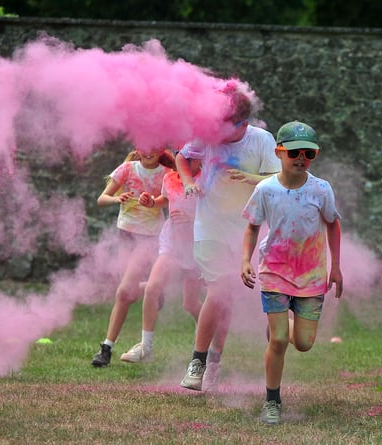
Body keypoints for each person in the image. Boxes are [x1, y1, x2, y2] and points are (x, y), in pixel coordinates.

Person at [177, 84, 281, 391]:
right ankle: (197, 362)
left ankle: (215, 359)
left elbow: (278, 180)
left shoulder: (261, 141)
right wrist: (187, 182)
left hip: (245, 231)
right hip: (208, 226)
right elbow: (182, 157)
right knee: (219, 289)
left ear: (242, 124)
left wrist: (252, 179)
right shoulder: (207, 134)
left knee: (225, 299)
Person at [240, 120, 343, 425]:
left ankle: (278, 326)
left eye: (309, 154)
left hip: (312, 276)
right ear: (279, 152)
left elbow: (333, 224)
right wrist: (245, 260)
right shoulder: (265, 189)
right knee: (280, 341)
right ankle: (272, 401)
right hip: (274, 271)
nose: (301, 158)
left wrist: (335, 266)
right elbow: (252, 226)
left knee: (304, 342)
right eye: (295, 152)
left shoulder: (321, 189)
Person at [91, 149, 175, 367]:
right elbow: (102, 198)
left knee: (123, 291)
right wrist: (117, 198)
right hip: (125, 236)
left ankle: (106, 349)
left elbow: (168, 200)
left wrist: (152, 202)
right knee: (126, 294)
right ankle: (153, 288)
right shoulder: (127, 169)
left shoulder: (166, 173)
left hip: (149, 238)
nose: (148, 152)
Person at [119, 158, 206, 363]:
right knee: (152, 288)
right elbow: (166, 200)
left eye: (190, 157)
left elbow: (217, 212)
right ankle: (146, 347)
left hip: (196, 246)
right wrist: (152, 202)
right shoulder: (169, 178)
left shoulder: (207, 178)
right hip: (172, 243)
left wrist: (193, 219)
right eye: (180, 156)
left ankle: (206, 342)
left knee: (190, 303)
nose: (184, 162)